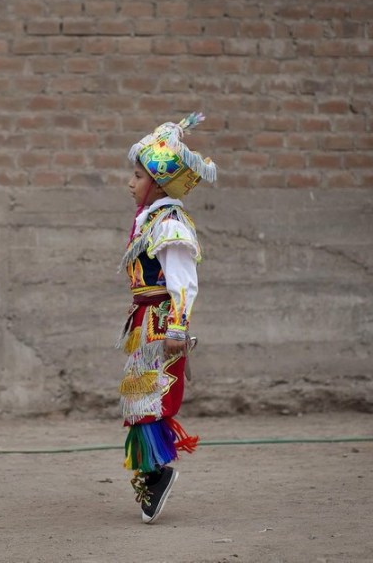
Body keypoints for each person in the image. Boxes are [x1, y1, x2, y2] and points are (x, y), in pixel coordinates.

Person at [117, 112, 217, 523]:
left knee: (149, 398)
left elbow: (182, 283)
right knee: (140, 398)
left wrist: (177, 328)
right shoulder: (152, 221)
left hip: (160, 324)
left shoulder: (171, 225)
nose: (130, 182)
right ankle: (152, 474)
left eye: (138, 175)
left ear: (157, 183)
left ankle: (155, 474)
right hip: (145, 321)